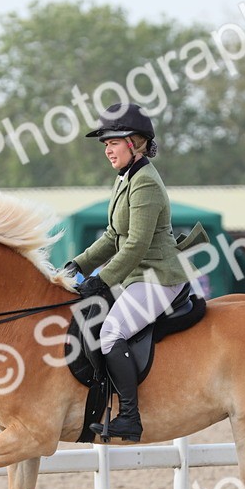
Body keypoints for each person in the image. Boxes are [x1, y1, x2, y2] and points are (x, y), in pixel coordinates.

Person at [64, 103, 198, 442]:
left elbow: (136, 245)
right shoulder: (125, 179)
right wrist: (78, 265)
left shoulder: (146, 183)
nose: (107, 150)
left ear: (135, 142)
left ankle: (129, 417)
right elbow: (112, 237)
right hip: (136, 276)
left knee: (110, 334)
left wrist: (100, 280)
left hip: (158, 277)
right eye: (105, 144)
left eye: (113, 142)